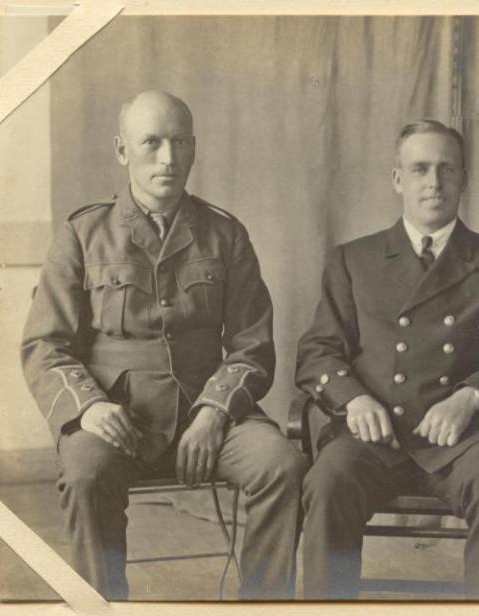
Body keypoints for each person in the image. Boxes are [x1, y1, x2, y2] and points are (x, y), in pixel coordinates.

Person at [21, 90, 307, 600]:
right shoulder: (82, 234)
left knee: (280, 465)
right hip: (115, 415)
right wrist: (89, 408)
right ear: (122, 150)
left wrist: (214, 413)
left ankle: (266, 605)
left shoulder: (225, 234)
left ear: (194, 148)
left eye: (180, 142)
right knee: (85, 476)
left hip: (207, 411)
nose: (168, 159)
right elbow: (46, 344)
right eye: (151, 143)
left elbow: (251, 345)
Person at [295, 119, 479, 599]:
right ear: (398, 180)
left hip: (461, 440)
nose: (433, 182)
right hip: (373, 435)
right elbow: (317, 351)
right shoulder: (354, 259)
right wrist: (352, 400)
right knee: (326, 484)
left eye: (446, 169)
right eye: (419, 169)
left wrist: (473, 397)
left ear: (463, 179)